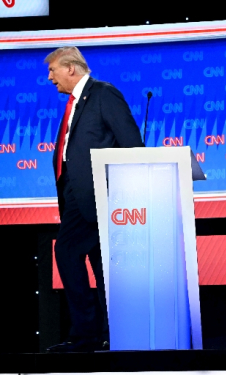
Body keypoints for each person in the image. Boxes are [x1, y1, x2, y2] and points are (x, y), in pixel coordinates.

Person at [45, 47, 144, 352]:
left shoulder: (103, 94)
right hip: (76, 194)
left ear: (71, 69)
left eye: (53, 71)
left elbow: (131, 144)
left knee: (66, 251)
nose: (50, 78)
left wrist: (123, 190)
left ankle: (86, 335)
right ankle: (108, 336)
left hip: (98, 194)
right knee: (101, 267)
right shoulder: (76, 102)